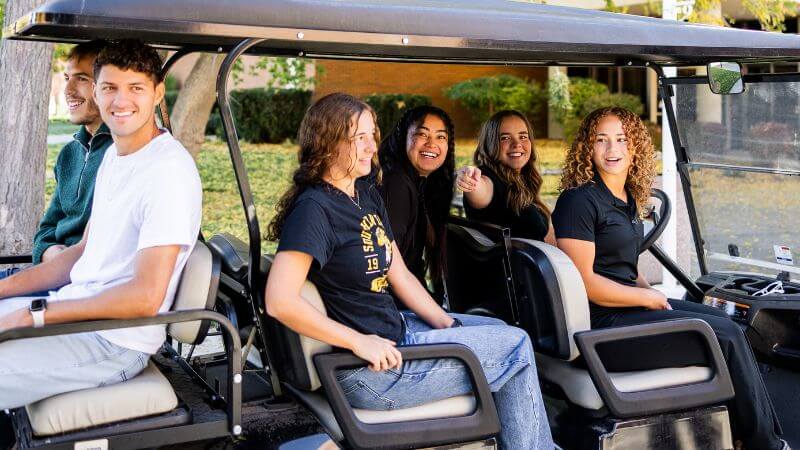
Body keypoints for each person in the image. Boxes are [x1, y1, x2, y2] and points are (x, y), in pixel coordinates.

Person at [264, 93, 553, 450]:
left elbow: (399, 273)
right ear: (328, 143)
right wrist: (359, 341)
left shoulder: (364, 194)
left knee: (498, 330)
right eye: (360, 138)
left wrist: (448, 325)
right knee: (517, 348)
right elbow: (278, 301)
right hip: (369, 372)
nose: (372, 146)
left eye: (373, 134)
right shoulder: (315, 209)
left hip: (396, 336)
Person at [551, 106, 788, 450]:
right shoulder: (579, 201)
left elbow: (624, 270)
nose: (612, 149)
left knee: (727, 322)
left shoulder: (626, 197)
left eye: (621, 140)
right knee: (725, 335)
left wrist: (647, 291)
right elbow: (586, 282)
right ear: (587, 148)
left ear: (635, 148)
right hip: (601, 329)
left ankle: (742, 435)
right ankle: (764, 444)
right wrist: (647, 299)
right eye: (601, 140)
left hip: (625, 312)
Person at [0, 39, 202, 409]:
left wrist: (35, 315)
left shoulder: (167, 173)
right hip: (79, 314)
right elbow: (80, 254)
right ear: (96, 91)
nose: (120, 101)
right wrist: (6, 290)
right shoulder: (115, 155)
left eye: (135, 88)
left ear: (158, 93)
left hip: (116, 341)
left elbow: (145, 297)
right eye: (110, 87)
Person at [1, 40, 112, 283]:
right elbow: (46, 230)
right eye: (66, 78)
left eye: (81, 78)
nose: (68, 90)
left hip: (78, 282)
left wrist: (61, 262)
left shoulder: (120, 153)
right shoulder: (70, 154)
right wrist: (51, 253)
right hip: (51, 271)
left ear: (107, 86)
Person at [378, 105, 455, 297]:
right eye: (422, 134)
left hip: (406, 300)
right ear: (403, 137)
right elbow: (387, 267)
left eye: (441, 137)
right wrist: (439, 317)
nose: (432, 144)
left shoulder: (420, 183)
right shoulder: (396, 184)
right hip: (390, 308)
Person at [456, 110, 555, 245]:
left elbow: (542, 234)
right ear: (490, 143)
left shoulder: (521, 179)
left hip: (543, 260)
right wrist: (468, 175)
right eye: (505, 138)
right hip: (515, 265)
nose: (517, 144)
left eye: (523, 136)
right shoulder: (488, 180)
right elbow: (477, 186)